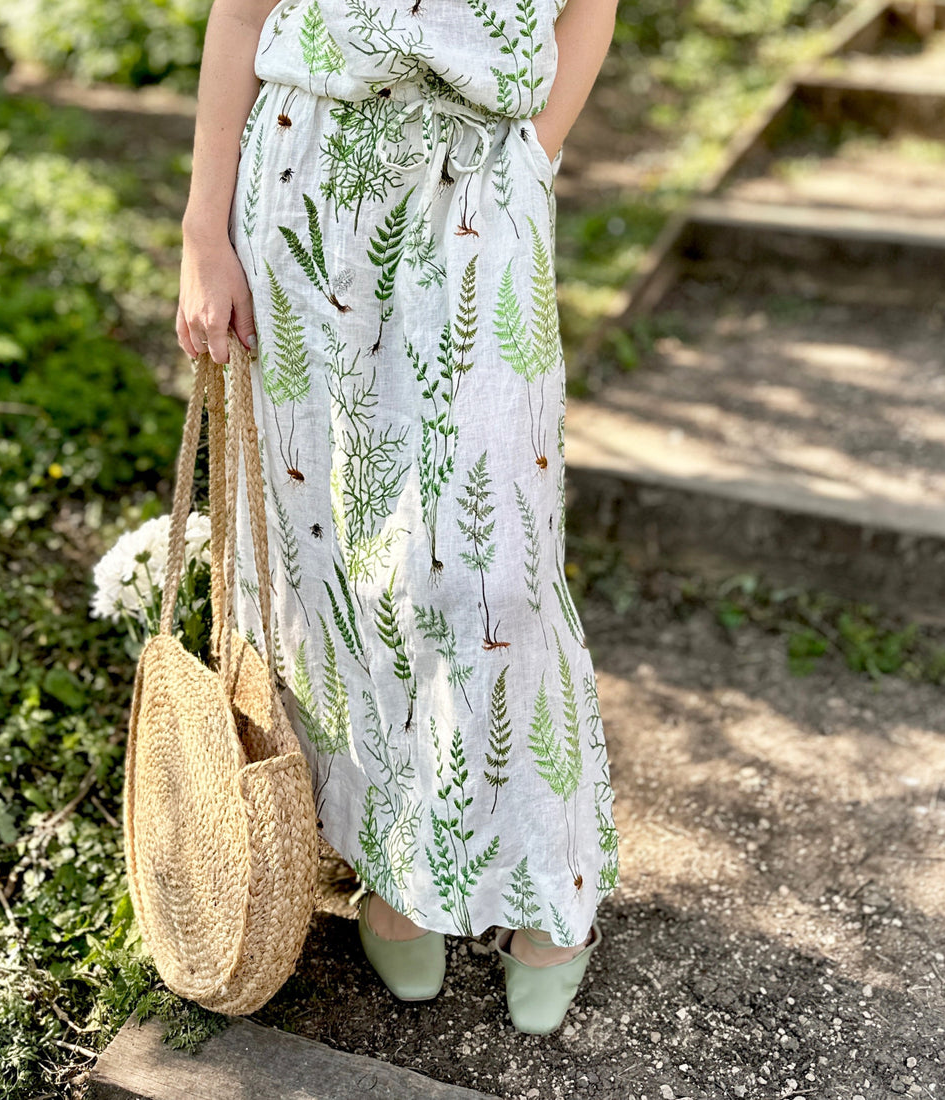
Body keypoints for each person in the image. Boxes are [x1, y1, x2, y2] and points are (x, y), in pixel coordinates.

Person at [177, 0, 621, 1035]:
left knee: (492, 568)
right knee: (335, 553)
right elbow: (241, 12)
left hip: (479, 194)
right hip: (301, 186)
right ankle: (396, 868)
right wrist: (203, 231)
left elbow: (591, 7)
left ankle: (549, 890)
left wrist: (532, 153)